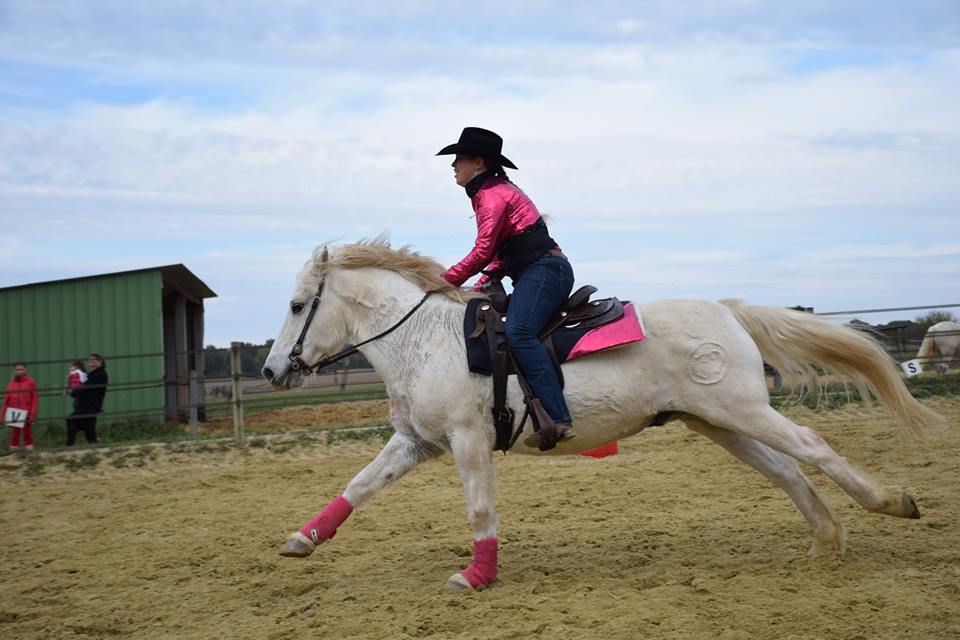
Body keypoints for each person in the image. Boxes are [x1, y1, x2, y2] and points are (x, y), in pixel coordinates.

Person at [437, 127, 575, 449]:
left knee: (519, 332)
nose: (453, 165)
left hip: (544, 271)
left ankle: (559, 417)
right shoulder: (491, 191)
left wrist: (441, 284)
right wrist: (476, 287)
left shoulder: (492, 195)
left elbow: (483, 251)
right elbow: (499, 258)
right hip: (537, 271)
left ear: (479, 163)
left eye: (459, 158)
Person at [67, 353, 108, 446]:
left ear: (100, 362)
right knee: (89, 429)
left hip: (89, 406)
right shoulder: (94, 374)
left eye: (93, 361)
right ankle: (94, 446)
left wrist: (72, 392)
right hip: (91, 406)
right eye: (89, 361)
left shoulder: (99, 374)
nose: (91, 363)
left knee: (71, 421)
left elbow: (86, 390)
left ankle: (69, 446)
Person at [2, 362, 39, 451]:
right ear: (14, 371)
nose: (19, 371)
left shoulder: (31, 382)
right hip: (14, 411)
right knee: (15, 432)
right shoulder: (11, 383)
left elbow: (34, 398)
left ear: (26, 370)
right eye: (17, 370)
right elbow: (6, 399)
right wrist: (2, 415)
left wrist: (33, 413)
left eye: (21, 369)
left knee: (27, 432)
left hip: (26, 410)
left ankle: (29, 450)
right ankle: (13, 451)